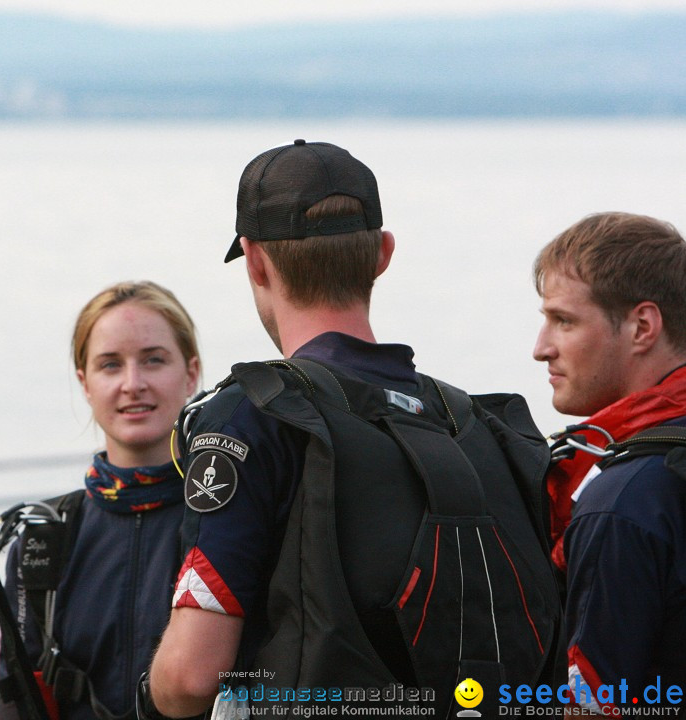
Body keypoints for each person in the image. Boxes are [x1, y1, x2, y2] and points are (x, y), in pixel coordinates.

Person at [145, 140, 561, 718]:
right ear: (383, 254)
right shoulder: (473, 420)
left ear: (256, 260)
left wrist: (149, 688)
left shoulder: (251, 416)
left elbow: (192, 676)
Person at [0, 281, 201, 720]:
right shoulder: (42, 541)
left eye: (153, 360)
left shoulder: (231, 521)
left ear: (192, 373)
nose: (133, 383)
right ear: (85, 384)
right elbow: (18, 701)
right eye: (110, 365)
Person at [533, 212, 686, 709]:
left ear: (643, 326)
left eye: (563, 320)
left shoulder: (622, 502)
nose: (541, 348)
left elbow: (595, 705)